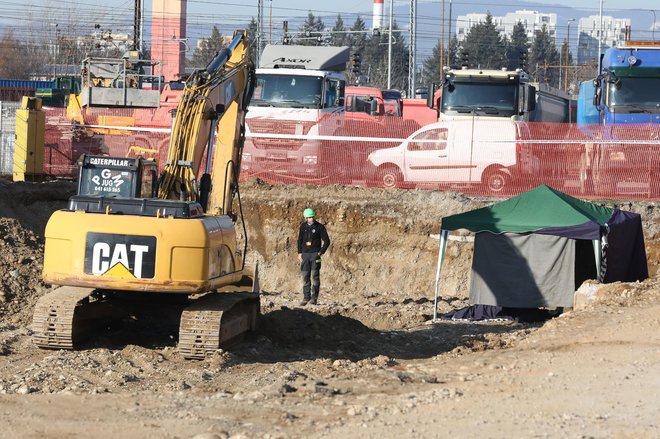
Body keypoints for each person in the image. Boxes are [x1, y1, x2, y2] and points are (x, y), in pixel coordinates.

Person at [297, 208, 330, 306]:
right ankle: (306, 297)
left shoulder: (320, 227)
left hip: (315, 255)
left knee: (315, 276)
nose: (311, 219)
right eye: (309, 217)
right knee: (305, 276)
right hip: (305, 255)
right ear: (306, 218)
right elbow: (299, 240)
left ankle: (314, 298)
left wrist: (320, 252)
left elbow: (327, 241)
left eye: (312, 217)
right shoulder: (303, 226)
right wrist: (299, 253)